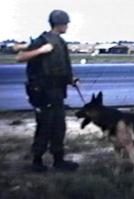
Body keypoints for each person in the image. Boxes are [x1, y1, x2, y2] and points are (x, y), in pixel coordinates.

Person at [16, 10, 79, 172]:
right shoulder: (42, 40)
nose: (67, 26)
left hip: (57, 91)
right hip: (43, 92)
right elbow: (21, 57)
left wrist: (71, 79)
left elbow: (63, 66)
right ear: (60, 23)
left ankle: (59, 160)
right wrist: (41, 50)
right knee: (44, 125)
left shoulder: (60, 42)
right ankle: (37, 161)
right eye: (66, 23)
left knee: (59, 126)